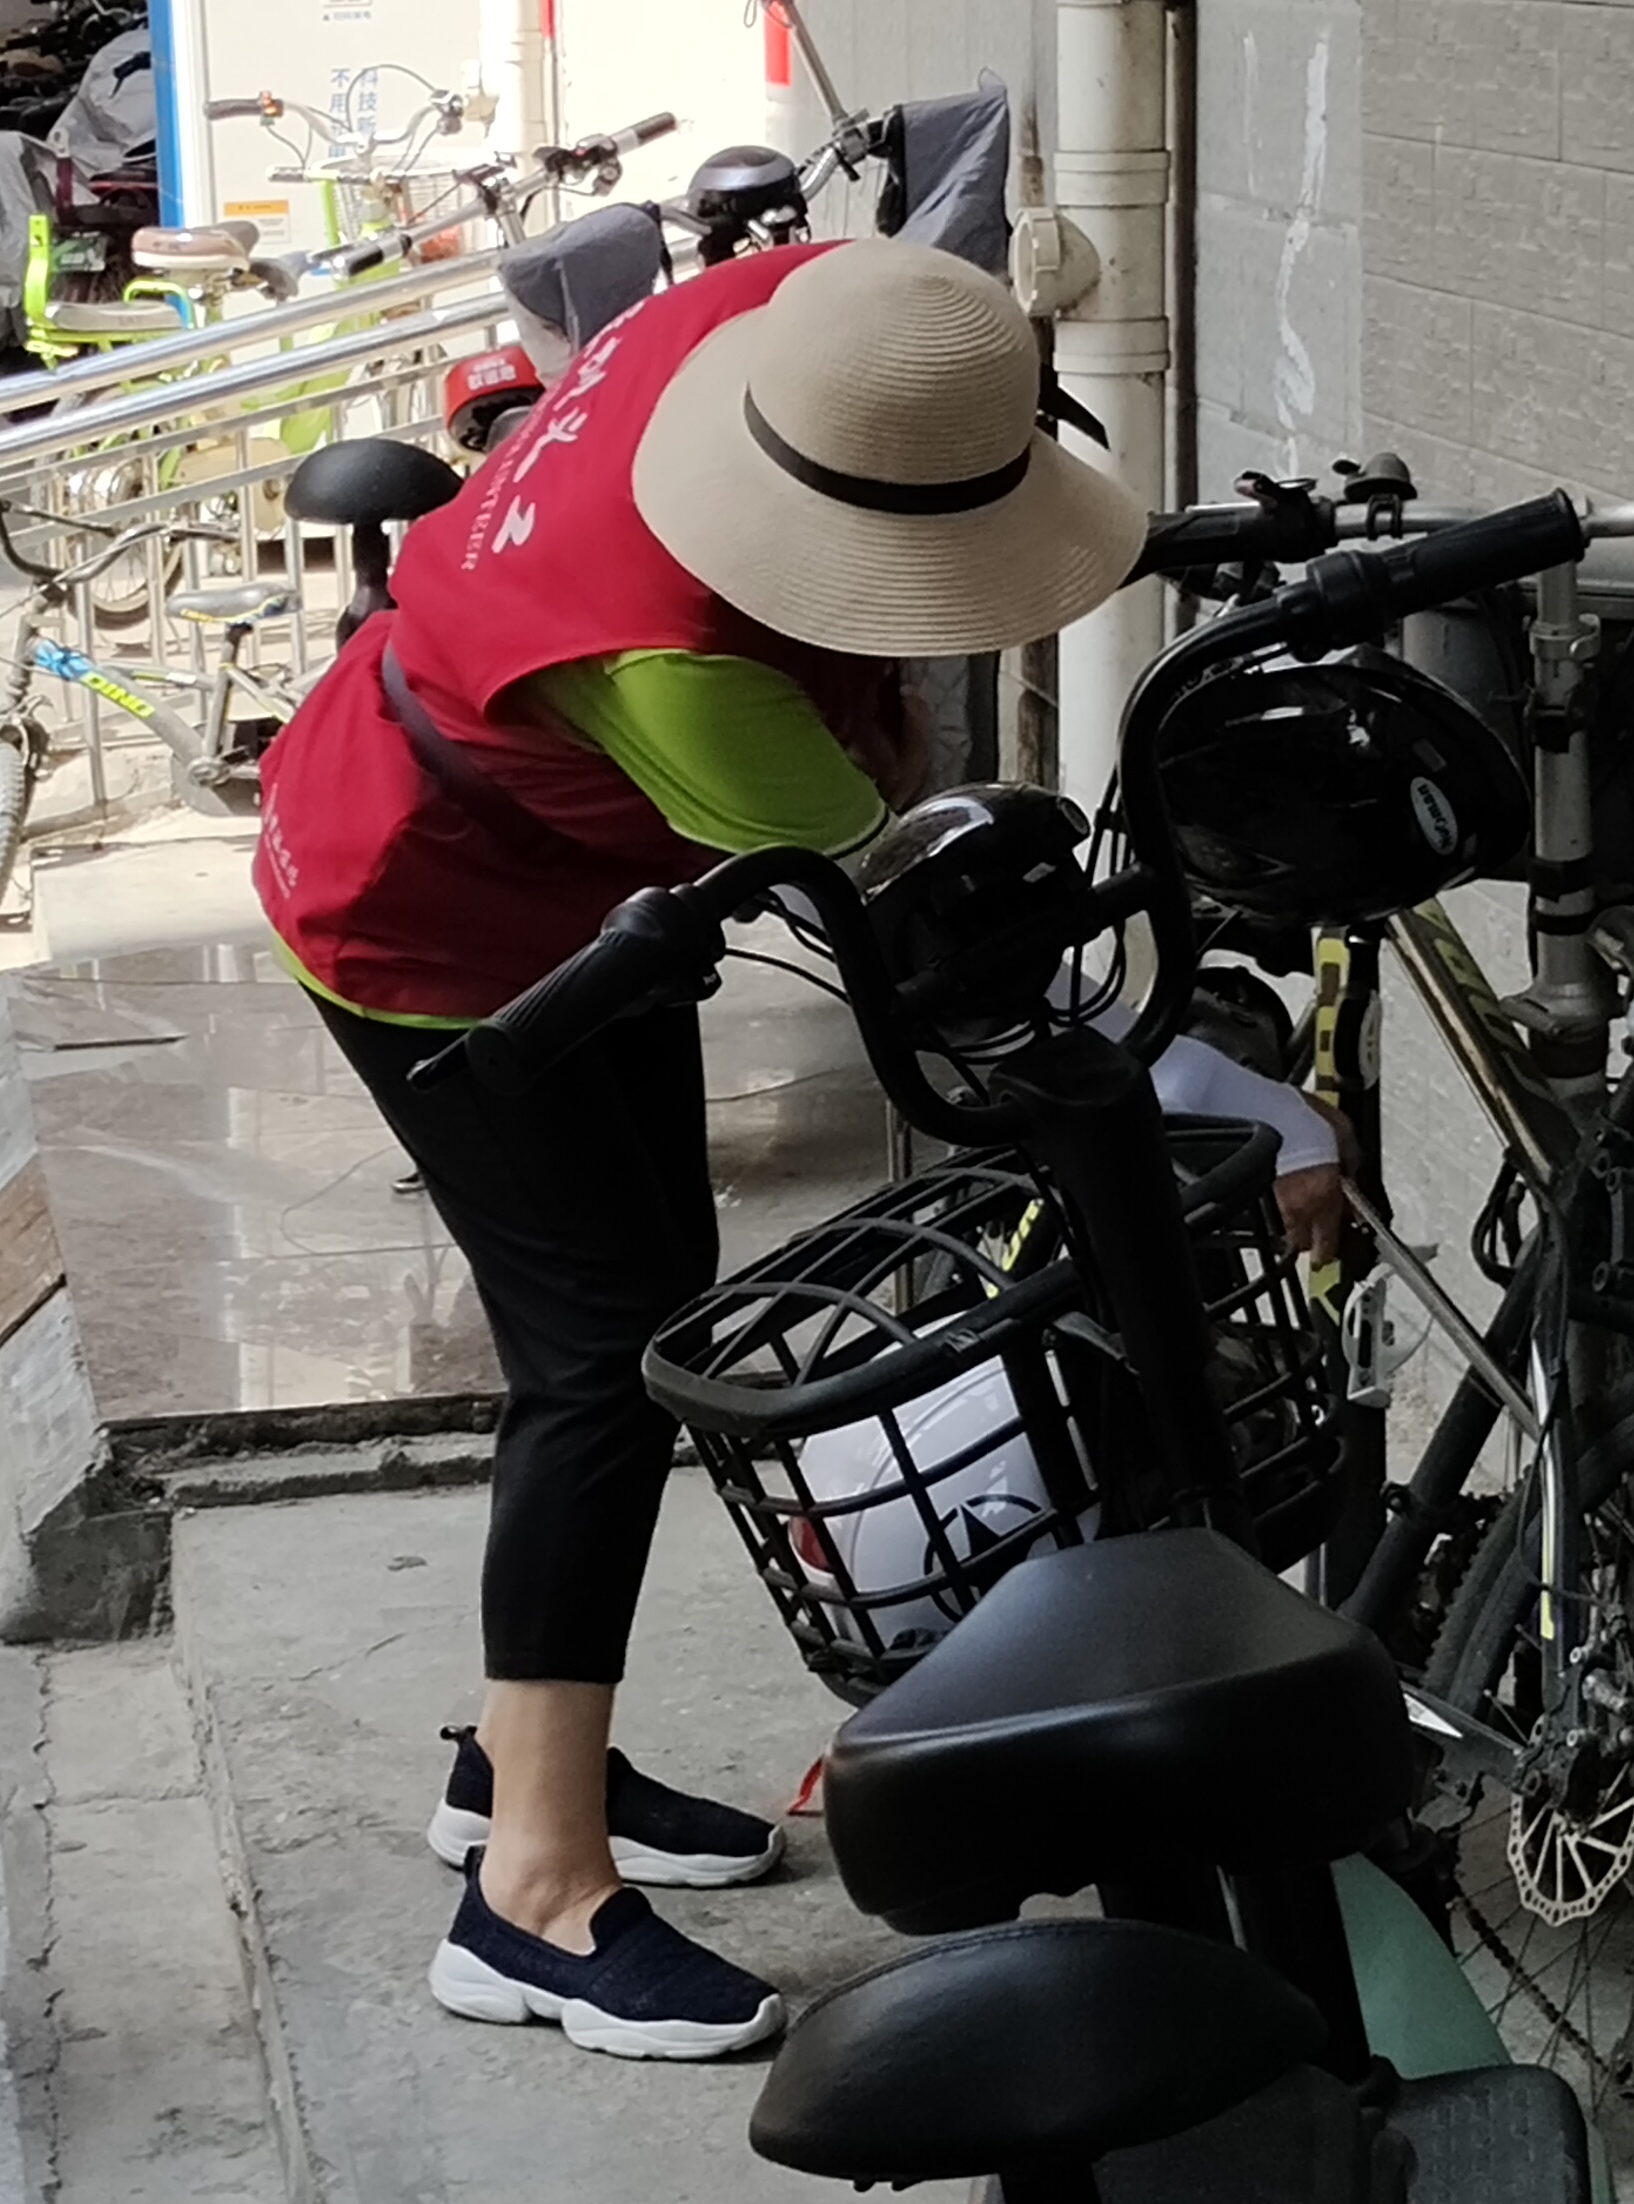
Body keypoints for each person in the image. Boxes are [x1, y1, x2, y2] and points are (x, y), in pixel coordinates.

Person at [252, 235, 1144, 2060]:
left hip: (585, 888)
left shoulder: (793, 314)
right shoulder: (677, 671)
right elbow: (909, 918)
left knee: (649, 1311)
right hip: (430, 921)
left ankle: (518, 1763)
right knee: (595, 1366)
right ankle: (530, 1894)